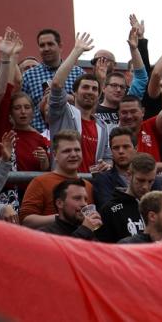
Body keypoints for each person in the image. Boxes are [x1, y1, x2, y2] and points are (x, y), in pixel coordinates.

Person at [48, 32, 111, 173]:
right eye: (85, 87)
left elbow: (107, 157)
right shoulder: (62, 113)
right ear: (74, 92)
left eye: (94, 89)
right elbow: (57, 84)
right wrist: (76, 52)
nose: (90, 91)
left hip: (91, 188)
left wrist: (107, 165)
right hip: (65, 185)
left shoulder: (102, 126)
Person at [19, 130, 94, 228]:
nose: (73, 154)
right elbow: (26, 220)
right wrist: (62, 218)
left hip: (81, 241)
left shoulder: (88, 186)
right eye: (67, 151)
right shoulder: (40, 182)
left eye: (77, 150)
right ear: (54, 155)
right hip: (50, 241)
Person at [22, 28, 85, 132]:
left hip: (71, 137)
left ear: (60, 46)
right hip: (39, 137)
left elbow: (87, 105)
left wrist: (64, 97)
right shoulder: (29, 76)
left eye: (50, 44)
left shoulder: (78, 73)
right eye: (42, 45)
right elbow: (21, 107)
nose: (46, 48)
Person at [97, 153, 157, 243]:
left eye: (150, 181)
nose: (145, 186)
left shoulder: (156, 207)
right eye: (141, 180)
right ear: (129, 175)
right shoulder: (110, 210)